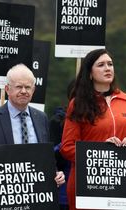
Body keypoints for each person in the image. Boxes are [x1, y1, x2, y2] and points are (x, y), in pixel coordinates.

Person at [0, 64, 65, 210]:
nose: (23, 91)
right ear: (7, 89)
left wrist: (55, 173)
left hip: (37, 201)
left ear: (33, 90)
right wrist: (11, 177)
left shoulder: (41, 118)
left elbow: (46, 158)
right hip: (3, 202)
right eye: (18, 87)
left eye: (28, 87)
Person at [60, 49, 126, 210]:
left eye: (110, 64)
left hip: (121, 181)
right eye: (101, 65)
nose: (107, 68)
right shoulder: (77, 103)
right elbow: (67, 147)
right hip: (87, 184)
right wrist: (100, 151)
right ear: (90, 73)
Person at [49, 79, 75, 210]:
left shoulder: (99, 121)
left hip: (91, 193)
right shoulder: (58, 121)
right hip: (63, 195)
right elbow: (49, 157)